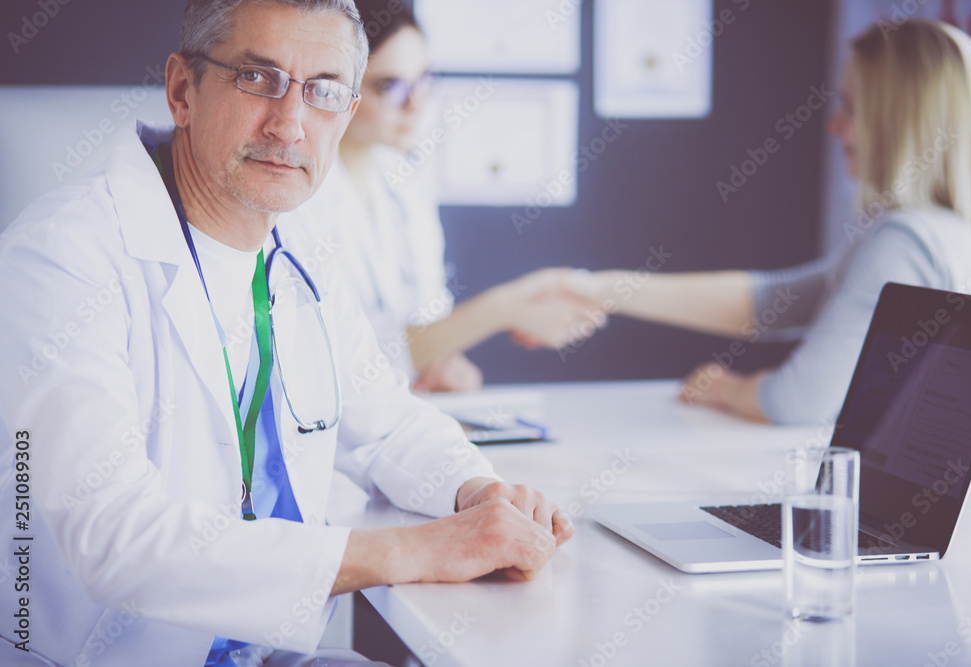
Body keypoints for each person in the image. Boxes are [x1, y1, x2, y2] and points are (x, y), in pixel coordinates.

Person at [0, 1, 573, 665]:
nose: (290, 124)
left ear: (347, 115)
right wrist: (412, 551)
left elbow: (387, 423)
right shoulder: (59, 259)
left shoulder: (299, 243)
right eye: (257, 78)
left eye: (324, 92)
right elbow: (114, 539)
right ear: (183, 90)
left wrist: (481, 494)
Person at [569, 19, 971, 425]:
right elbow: (775, 302)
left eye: (850, 108)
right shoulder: (941, 235)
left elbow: (797, 400)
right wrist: (601, 290)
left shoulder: (906, 240)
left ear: (901, 124)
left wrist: (726, 388)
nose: (834, 126)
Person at [308, 0, 601, 393]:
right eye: (389, 86)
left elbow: (428, 326)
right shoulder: (299, 198)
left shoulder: (404, 183)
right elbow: (339, 359)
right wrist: (503, 308)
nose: (416, 104)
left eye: (424, 81)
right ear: (338, 88)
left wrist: (445, 362)